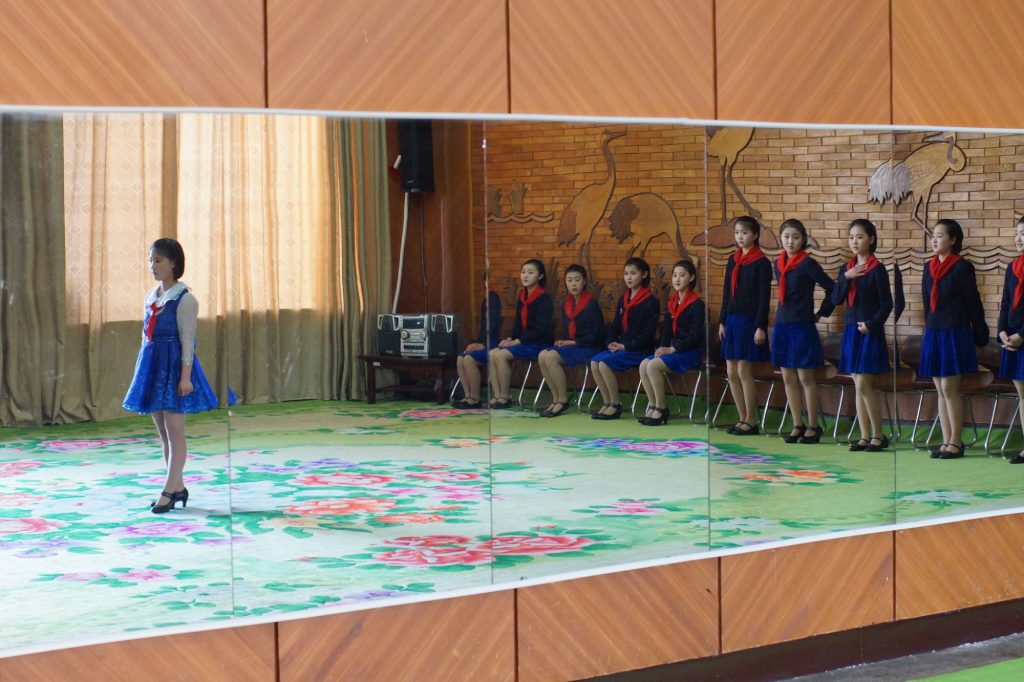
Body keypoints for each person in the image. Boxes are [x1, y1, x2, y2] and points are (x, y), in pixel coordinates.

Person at [123, 238, 219, 513]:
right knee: (164, 434)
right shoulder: (152, 296)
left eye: (159, 260)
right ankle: (177, 487)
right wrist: (144, 371)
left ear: (174, 263)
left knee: (176, 433)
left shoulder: (185, 299)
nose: (153, 266)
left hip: (174, 367)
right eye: (151, 260)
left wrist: (185, 377)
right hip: (153, 366)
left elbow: (188, 340)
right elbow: (146, 336)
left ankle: (168, 490)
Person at [919, 219, 989, 459]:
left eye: (940, 235)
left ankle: (957, 442)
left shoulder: (961, 266)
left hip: (955, 332)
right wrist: (928, 328)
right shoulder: (928, 267)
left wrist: (980, 332)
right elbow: (926, 303)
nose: (935, 240)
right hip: (935, 332)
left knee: (950, 387)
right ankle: (946, 440)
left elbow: (972, 301)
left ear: (953, 240)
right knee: (939, 388)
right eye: (933, 235)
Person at [771, 219, 835, 443]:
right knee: (788, 378)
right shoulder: (777, 263)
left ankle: (813, 425)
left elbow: (832, 287)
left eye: (796, 237)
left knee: (805, 377)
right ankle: (797, 424)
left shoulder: (808, 263)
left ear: (803, 240)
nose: (790, 241)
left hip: (802, 326)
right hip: (782, 324)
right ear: (781, 238)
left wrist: (821, 313)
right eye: (787, 236)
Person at [832, 219, 894, 452]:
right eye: (851, 237)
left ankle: (879, 435)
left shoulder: (877, 268)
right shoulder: (846, 269)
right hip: (851, 330)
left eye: (860, 237)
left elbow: (887, 304)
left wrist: (872, 324)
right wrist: (845, 278)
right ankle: (865, 435)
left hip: (868, 330)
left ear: (872, 239)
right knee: (856, 385)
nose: (855, 242)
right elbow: (836, 299)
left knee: (865, 385)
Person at [718, 216, 772, 435]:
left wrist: (760, 326)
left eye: (745, 233)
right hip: (732, 320)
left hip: (749, 322)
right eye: (737, 232)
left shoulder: (762, 263)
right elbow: (725, 294)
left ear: (755, 235)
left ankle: (752, 419)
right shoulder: (733, 260)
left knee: (743, 370)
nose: (740, 237)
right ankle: (741, 418)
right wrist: (722, 320)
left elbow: (763, 298)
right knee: (731, 371)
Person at [591, 257, 659, 420]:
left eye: (633, 273)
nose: (628, 277)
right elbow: (615, 326)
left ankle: (615, 404)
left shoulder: (651, 301)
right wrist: (611, 343)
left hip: (639, 350)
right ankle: (606, 402)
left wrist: (625, 346)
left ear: (644, 274)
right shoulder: (623, 299)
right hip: (622, 347)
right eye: (626, 273)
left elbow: (647, 334)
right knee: (595, 362)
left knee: (604, 364)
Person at [638, 259, 705, 426]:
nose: (677, 279)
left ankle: (661, 408)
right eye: (675, 275)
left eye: (682, 275)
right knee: (644, 364)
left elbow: (696, 335)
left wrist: (673, 349)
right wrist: (661, 348)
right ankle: (653, 405)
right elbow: (666, 332)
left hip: (690, 352)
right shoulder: (671, 303)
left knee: (653, 366)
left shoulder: (697, 304)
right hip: (673, 350)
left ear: (691, 278)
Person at [537, 264, 606, 417]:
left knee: (551, 357)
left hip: (589, 347)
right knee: (542, 355)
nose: (573, 284)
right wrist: (563, 341)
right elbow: (568, 333)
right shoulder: (567, 304)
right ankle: (555, 398)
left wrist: (573, 343)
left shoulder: (591, 304)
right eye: (569, 280)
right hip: (574, 347)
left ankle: (562, 400)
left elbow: (598, 335)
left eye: (577, 280)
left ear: (584, 282)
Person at [488, 259, 554, 408]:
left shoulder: (544, 298)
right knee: (492, 353)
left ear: (540, 276)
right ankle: (497, 395)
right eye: (523, 272)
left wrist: (517, 341)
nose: (525, 275)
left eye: (530, 272)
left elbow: (541, 329)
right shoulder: (522, 296)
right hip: (523, 341)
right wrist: (510, 338)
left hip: (539, 343)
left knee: (501, 355)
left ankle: (505, 396)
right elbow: (518, 324)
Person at [997, 217, 1024, 464]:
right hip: (1013, 339)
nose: (1019, 238)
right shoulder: (1012, 267)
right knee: (1022, 394)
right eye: (1017, 233)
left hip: (1022, 337)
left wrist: (1022, 335)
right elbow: (1006, 302)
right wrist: (1002, 331)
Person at [453, 274, 502, 409]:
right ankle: (468, 395)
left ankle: (475, 397)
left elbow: (494, 325)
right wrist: (474, 343)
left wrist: (482, 345)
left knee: (469, 360)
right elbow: (483, 328)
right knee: (460, 358)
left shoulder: (494, 298)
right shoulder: (485, 300)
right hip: (484, 340)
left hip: (493, 342)